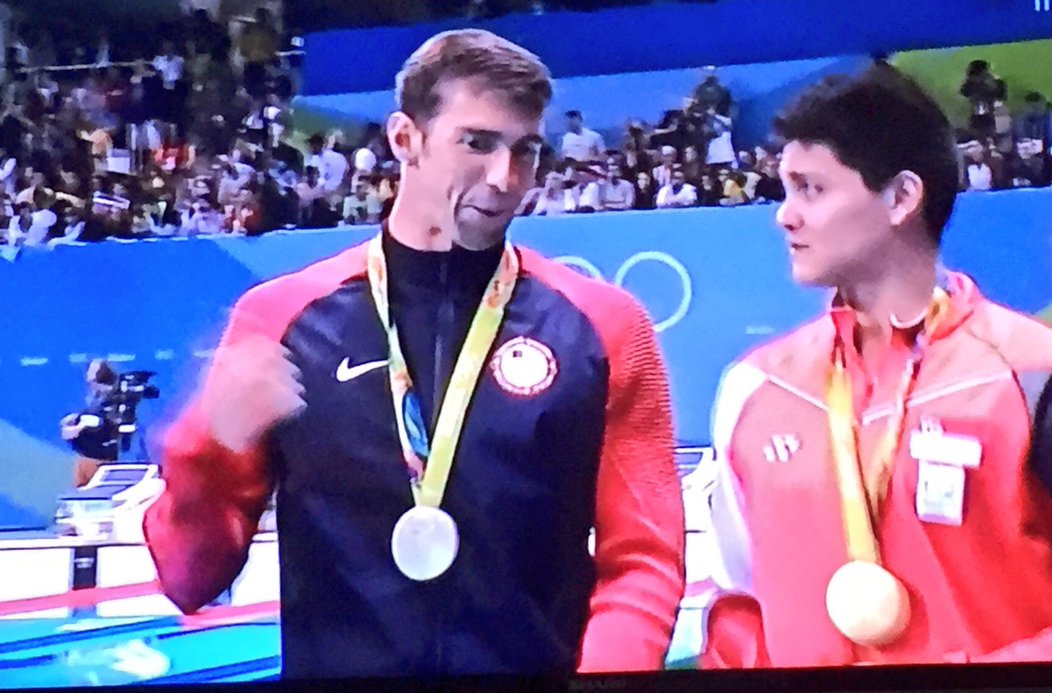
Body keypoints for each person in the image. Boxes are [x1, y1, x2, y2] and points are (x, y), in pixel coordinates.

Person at [143, 29, 685, 678]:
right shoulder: (282, 319)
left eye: (526, 151)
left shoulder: (604, 325)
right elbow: (187, 578)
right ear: (405, 140)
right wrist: (208, 445)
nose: (504, 178)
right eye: (477, 143)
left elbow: (643, 561)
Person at [698, 65, 1052, 669]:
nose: (785, 215)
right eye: (786, 188)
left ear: (902, 198)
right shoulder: (757, 389)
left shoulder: (1042, 380)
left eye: (812, 189)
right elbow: (736, 614)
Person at [60, 358, 119, 487]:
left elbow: (98, 421)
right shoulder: (95, 397)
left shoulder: (110, 399)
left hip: (97, 462)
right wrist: (76, 418)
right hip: (85, 459)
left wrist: (76, 428)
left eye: (93, 370)